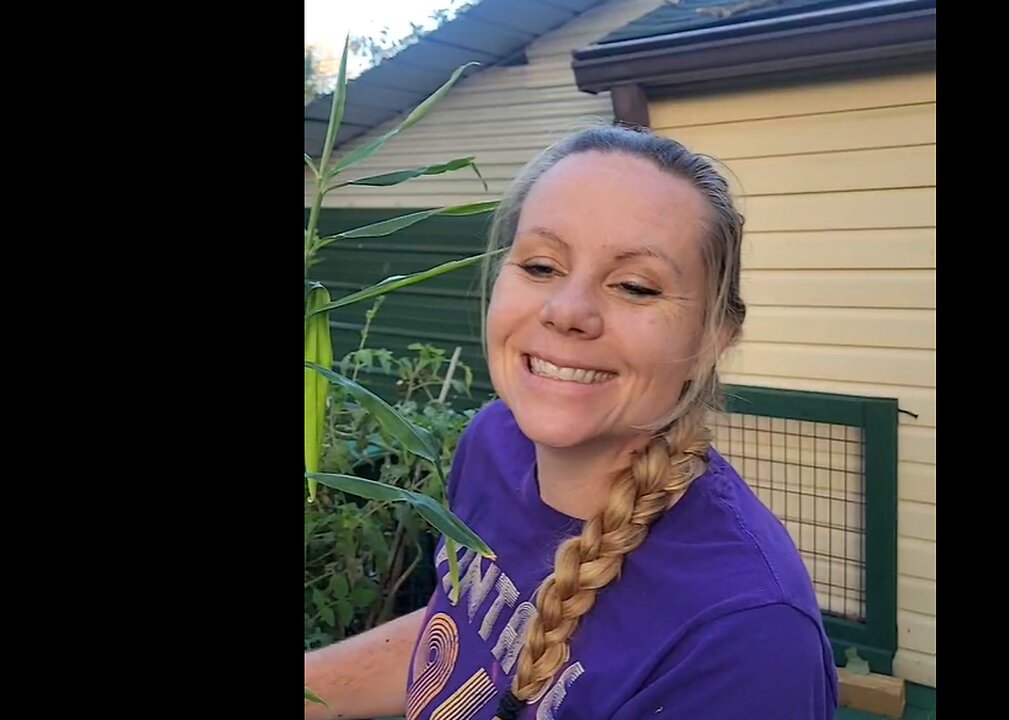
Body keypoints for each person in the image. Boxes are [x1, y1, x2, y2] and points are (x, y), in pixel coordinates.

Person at [305, 124, 838, 720]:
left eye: (635, 286)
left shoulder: (746, 637)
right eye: (539, 266)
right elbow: (457, 638)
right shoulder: (492, 442)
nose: (567, 311)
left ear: (713, 339)